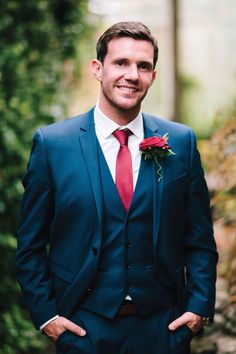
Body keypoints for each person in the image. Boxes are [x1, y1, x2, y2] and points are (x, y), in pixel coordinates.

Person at [16, 21, 218, 354]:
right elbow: (30, 246)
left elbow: (199, 239)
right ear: (97, 68)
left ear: (153, 75)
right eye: (121, 63)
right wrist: (48, 318)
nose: (132, 74)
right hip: (83, 329)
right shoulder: (53, 145)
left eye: (143, 66)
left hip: (163, 330)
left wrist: (197, 309)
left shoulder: (180, 141)